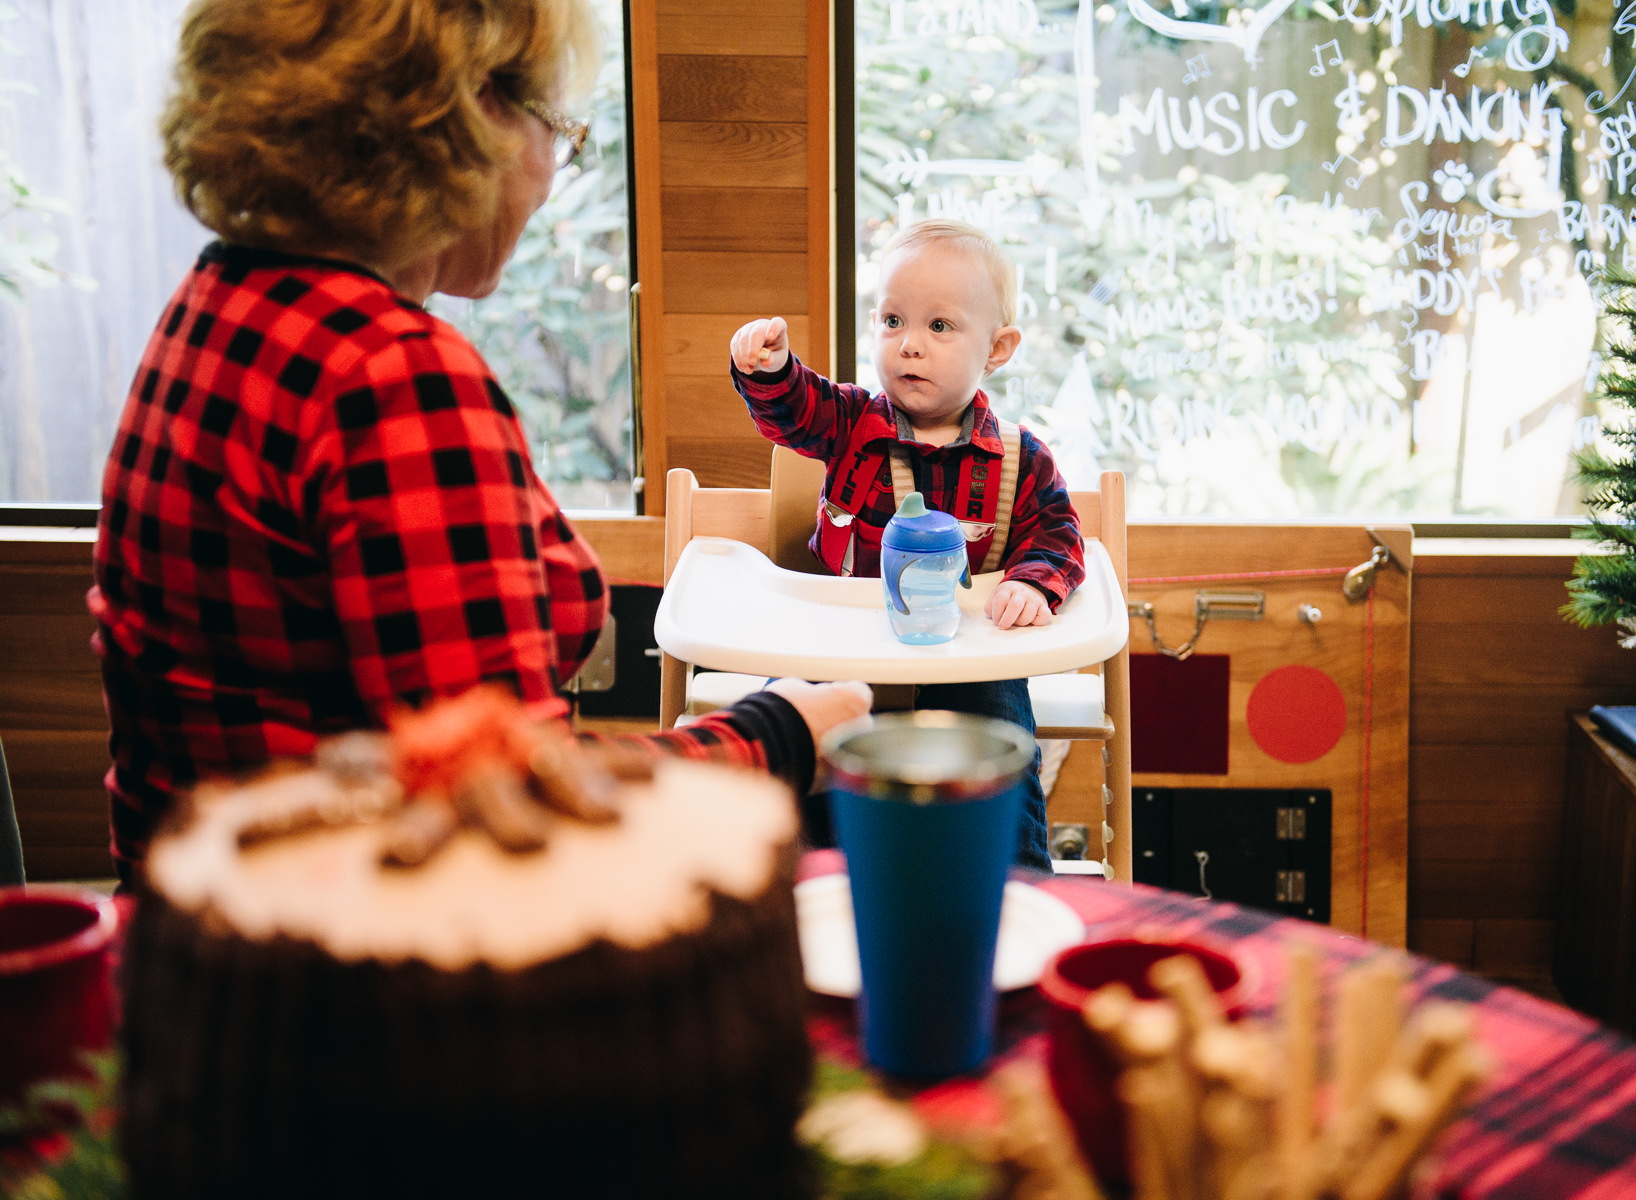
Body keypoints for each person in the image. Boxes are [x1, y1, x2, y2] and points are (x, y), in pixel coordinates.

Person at [89, 0, 868, 888]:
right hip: (339, 972)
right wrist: (778, 736)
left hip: (189, 950)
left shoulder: (216, 308)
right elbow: (513, 825)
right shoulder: (391, 377)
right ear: (470, 119)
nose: (552, 172)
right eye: (557, 127)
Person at [729, 219, 1084, 870]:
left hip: (966, 655)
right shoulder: (849, 422)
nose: (909, 346)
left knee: (1005, 741)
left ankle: (1019, 879)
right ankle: (803, 873)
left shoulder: (1018, 459)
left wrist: (1032, 581)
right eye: (892, 321)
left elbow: (1059, 530)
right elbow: (794, 410)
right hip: (839, 639)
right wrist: (772, 368)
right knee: (792, 725)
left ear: (998, 347)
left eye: (939, 327)